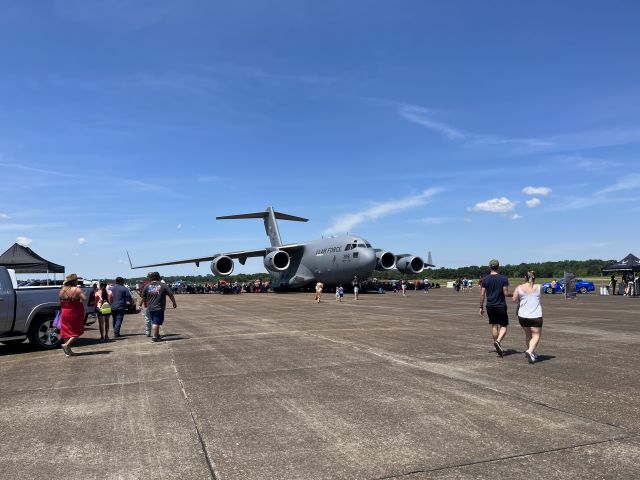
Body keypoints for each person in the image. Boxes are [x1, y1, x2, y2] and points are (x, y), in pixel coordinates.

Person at [479, 259, 510, 357]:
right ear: (498, 267)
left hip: (490, 305)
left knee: (494, 325)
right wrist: (515, 294)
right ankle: (498, 341)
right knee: (504, 326)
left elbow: (482, 294)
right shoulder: (503, 278)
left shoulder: (485, 279)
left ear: (490, 267)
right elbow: (505, 293)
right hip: (500, 305)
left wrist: (481, 306)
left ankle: (497, 344)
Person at [513, 271, 543, 364]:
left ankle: (532, 352)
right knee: (536, 335)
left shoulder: (519, 287)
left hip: (523, 316)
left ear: (525, 278)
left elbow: (514, 299)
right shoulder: (539, 287)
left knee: (528, 334)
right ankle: (530, 351)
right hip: (535, 316)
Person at [139, 272, 177, 342]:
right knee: (156, 322)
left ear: (151, 278)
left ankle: (157, 335)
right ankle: (154, 337)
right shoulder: (163, 285)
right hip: (159, 307)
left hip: (150, 307)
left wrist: (140, 304)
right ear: (158, 277)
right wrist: (174, 302)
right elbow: (170, 294)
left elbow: (143, 296)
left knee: (154, 321)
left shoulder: (147, 286)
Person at [59, 273, 87, 356]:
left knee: (66, 332)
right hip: (75, 313)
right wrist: (83, 294)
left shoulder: (62, 290)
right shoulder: (77, 289)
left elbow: (61, 300)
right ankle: (66, 345)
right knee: (78, 331)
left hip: (64, 313)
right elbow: (84, 299)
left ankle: (68, 352)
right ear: (74, 281)